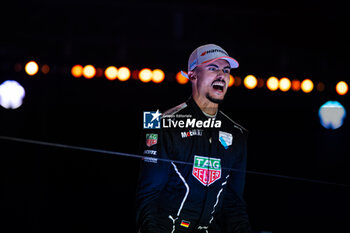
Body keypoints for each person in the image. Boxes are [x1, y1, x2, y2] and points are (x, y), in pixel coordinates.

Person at [135, 44, 251, 233]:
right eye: (213, 68)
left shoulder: (238, 133)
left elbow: (234, 205)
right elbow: (148, 198)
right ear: (193, 74)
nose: (221, 75)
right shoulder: (158, 123)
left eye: (226, 70)